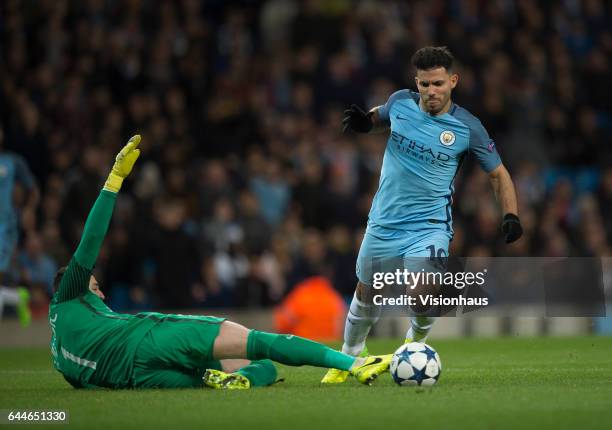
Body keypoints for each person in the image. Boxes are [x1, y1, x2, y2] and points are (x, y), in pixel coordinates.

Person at [49, 135, 391, 390]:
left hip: (135, 376)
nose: (102, 295)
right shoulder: (68, 293)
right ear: (73, 286)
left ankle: (237, 380)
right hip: (150, 337)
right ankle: (355, 363)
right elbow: (91, 240)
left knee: (244, 370)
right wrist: (113, 182)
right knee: (259, 343)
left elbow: (90, 385)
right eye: (95, 288)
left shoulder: (60, 356)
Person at [322, 46, 523, 383]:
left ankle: (414, 346)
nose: (431, 91)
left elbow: (498, 174)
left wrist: (511, 214)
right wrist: (364, 123)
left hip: (429, 226)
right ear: (416, 82)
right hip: (383, 222)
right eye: (425, 84)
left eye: (439, 84)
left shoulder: (467, 127)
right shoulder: (400, 102)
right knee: (367, 291)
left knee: (422, 290)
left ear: (453, 81)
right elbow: (379, 117)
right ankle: (350, 357)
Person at [0, 123, 39, 327]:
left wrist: (28, 210)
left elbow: (32, 189)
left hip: (4, 227)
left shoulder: (12, 162)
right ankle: (16, 297)